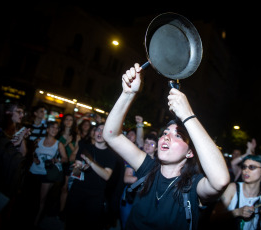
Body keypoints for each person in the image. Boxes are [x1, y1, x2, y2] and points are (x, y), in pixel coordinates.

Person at [103, 63, 230, 230]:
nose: (166, 137)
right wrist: (127, 94)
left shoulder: (193, 186)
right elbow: (112, 135)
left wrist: (187, 115)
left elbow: (220, 181)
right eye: (165, 133)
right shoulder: (147, 168)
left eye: (178, 135)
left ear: (190, 152)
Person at [64, 123, 118, 230]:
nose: (100, 132)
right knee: (71, 224)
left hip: (95, 196)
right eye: (98, 129)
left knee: (88, 225)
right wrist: (80, 167)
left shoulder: (111, 155)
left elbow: (107, 176)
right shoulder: (85, 147)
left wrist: (91, 163)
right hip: (77, 191)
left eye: (103, 130)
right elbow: (76, 172)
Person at [0, 102, 31, 229]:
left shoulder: (19, 129)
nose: (22, 115)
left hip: (12, 174)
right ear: (8, 113)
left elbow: (23, 153)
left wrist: (21, 139)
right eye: (18, 112)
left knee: (5, 209)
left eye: (22, 112)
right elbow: (2, 150)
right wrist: (16, 142)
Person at [218, 155, 261, 230]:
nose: (246, 170)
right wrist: (238, 212)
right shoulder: (233, 188)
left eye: (252, 167)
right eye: (244, 167)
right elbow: (216, 216)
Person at [28, 121, 68, 227]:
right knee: (32, 197)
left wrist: (57, 160)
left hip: (47, 174)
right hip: (34, 171)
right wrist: (34, 157)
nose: (54, 130)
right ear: (47, 129)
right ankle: (28, 217)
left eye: (57, 128)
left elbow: (65, 159)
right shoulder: (39, 140)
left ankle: (36, 221)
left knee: (42, 199)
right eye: (52, 128)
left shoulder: (59, 144)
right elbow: (30, 152)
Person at [119, 133, 158, 229]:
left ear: (157, 148)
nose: (148, 145)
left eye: (152, 144)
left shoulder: (159, 164)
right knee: (127, 224)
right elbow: (126, 178)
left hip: (147, 201)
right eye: (146, 142)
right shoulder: (134, 158)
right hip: (130, 199)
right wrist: (142, 179)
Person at [57, 113, 77, 217]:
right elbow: (56, 148)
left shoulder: (76, 135)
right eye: (66, 119)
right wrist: (65, 143)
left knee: (66, 187)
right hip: (59, 163)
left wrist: (69, 143)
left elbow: (76, 151)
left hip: (71, 164)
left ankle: (62, 211)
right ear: (63, 121)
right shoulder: (58, 133)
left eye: (71, 120)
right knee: (59, 186)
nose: (68, 121)